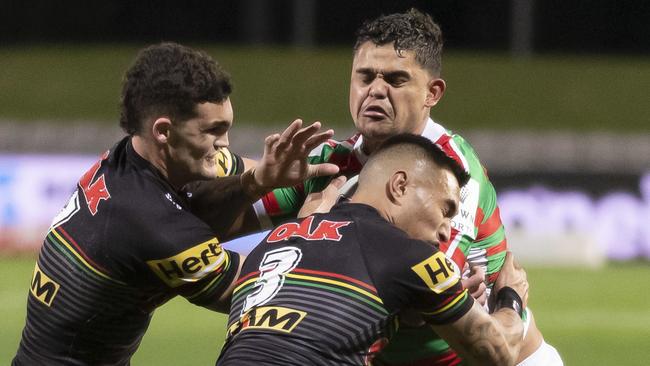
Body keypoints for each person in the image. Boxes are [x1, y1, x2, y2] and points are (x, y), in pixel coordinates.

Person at [222, 8, 562, 366]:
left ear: (432, 92)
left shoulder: (452, 174)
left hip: (488, 353)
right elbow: (220, 224)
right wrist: (254, 182)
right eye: (365, 77)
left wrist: (311, 233)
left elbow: (415, 296)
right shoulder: (327, 163)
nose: (376, 92)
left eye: (396, 80)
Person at [12, 42, 339, 365]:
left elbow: (239, 184)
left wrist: (262, 181)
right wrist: (310, 226)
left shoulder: (133, 159)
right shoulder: (149, 221)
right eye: (214, 130)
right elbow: (265, 289)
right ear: (164, 132)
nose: (223, 143)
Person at [217, 134, 529, 366]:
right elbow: (496, 352)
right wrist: (510, 300)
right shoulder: (409, 255)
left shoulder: (276, 240)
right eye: (445, 209)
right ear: (400, 186)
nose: (447, 229)